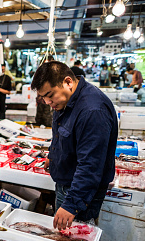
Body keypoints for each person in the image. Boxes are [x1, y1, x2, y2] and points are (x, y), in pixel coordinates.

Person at [31, 61, 118, 230]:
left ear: (68, 82)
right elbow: (61, 133)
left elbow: (91, 165)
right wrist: (53, 155)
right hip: (67, 182)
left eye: (50, 95)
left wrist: (71, 205)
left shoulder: (93, 111)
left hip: (80, 190)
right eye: (44, 98)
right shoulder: (64, 100)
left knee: (74, 239)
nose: (48, 102)